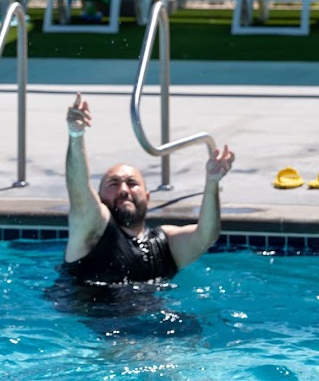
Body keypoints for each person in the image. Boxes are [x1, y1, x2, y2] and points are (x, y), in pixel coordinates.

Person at [62, 92, 234, 284]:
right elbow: (79, 192)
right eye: (114, 183)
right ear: (99, 198)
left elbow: (206, 236)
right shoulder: (91, 231)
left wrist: (212, 183)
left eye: (132, 183)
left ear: (148, 196)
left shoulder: (165, 243)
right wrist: (76, 135)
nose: (124, 190)